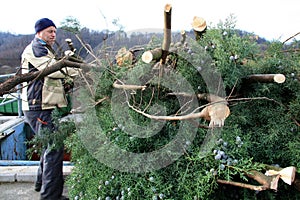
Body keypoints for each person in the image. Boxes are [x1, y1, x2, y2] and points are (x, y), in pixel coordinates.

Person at [21, 18, 79, 200]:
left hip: (43, 106)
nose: (53, 35)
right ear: (39, 33)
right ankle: (51, 196)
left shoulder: (45, 49)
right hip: (39, 107)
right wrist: (78, 70)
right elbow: (52, 70)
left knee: (49, 146)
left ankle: (41, 185)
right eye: (49, 32)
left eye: (55, 32)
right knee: (54, 150)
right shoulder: (36, 49)